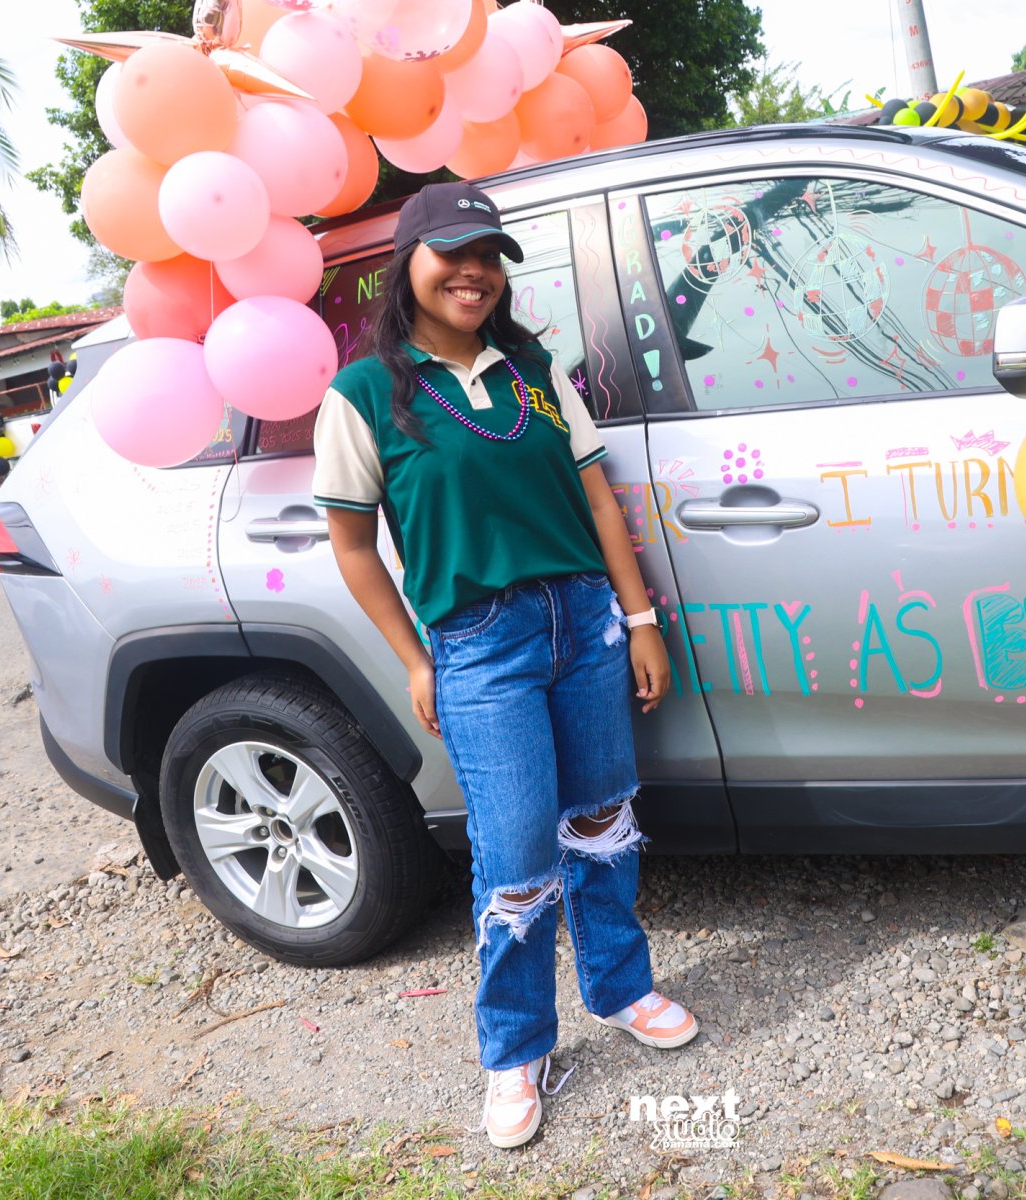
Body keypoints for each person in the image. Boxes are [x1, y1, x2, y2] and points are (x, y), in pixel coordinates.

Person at [311, 182, 696, 1151]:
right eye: (453, 253)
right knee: (517, 851)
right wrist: (416, 660)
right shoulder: (364, 395)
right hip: (480, 646)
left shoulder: (532, 369)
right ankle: (516, 1048)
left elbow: (598, 500)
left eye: (489, 255)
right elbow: (353, 547)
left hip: (585, 623)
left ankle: (622, 989)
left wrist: (639, 619)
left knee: (603, 822)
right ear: (407, 264)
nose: (474, 271)